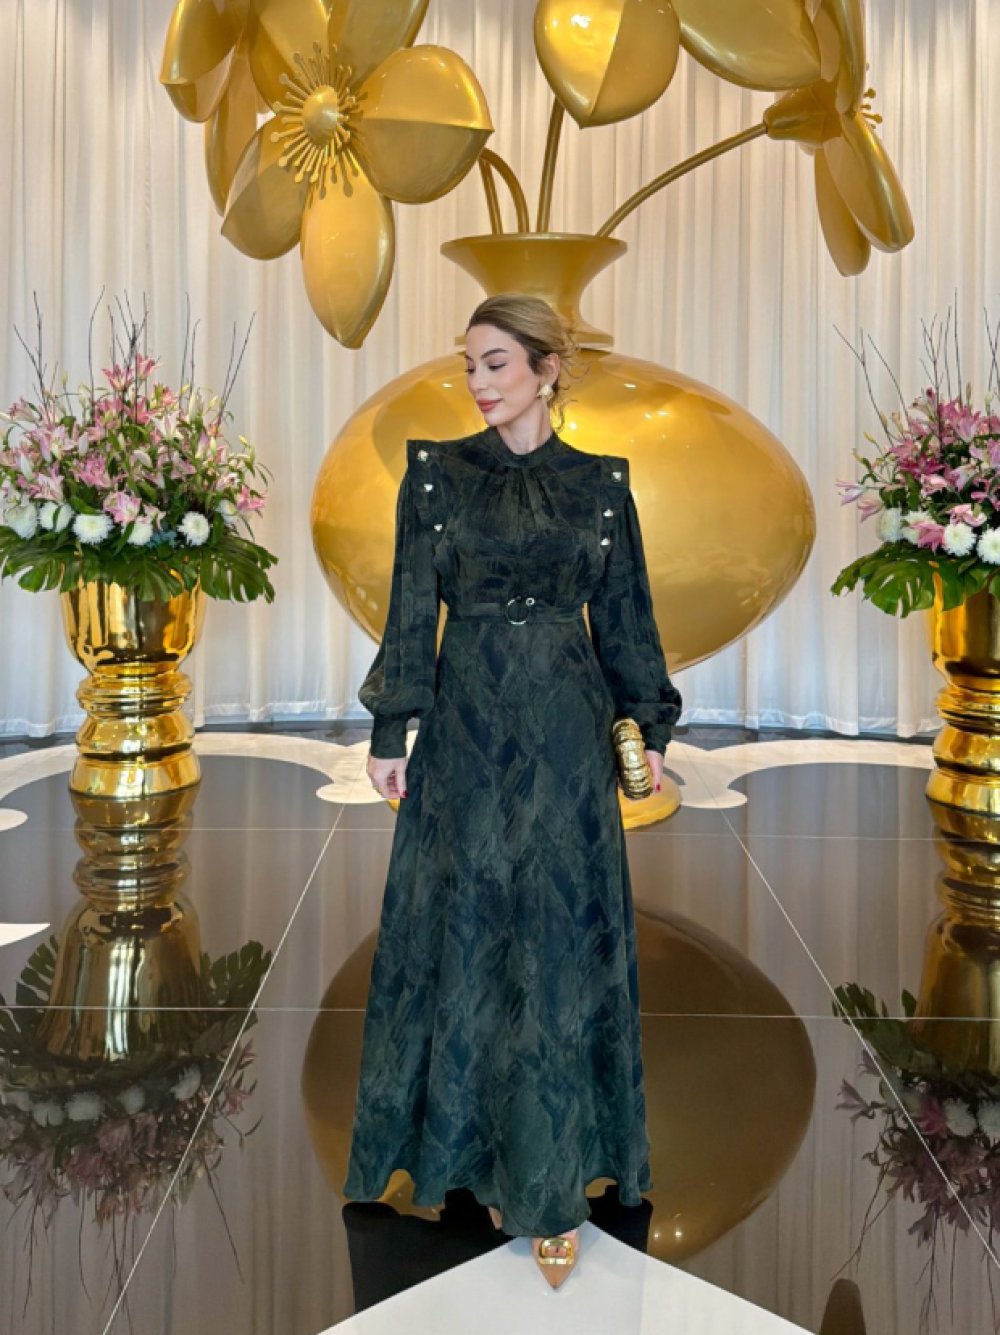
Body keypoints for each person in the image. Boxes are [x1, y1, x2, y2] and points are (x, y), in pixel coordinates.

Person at [342, 293, 683, 1290]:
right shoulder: (435, 476)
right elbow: (412, 608)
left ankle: (547, 1175)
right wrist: (392, 727)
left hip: (570, 732)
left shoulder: (602, 485)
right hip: (467, 726)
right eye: (470, 365)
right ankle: (458, 1151)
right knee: (469, 927)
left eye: (496, 363)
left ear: (547, 368)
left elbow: (627, 616)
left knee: (556, 942)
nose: (478, 382)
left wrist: (647, 726)